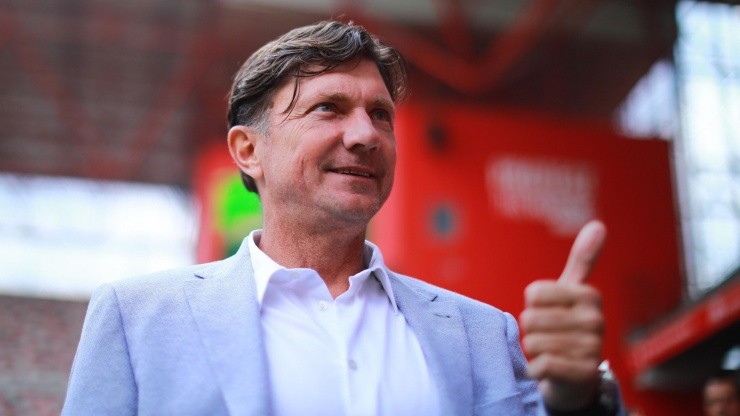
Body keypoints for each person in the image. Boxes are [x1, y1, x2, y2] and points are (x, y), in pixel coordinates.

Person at [62, 20, 623, 415]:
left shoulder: (484, 335)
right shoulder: (136, 320)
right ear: (247, 150)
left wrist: (578, 401)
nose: (365, 136)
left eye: (381, 115)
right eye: (328, 107)